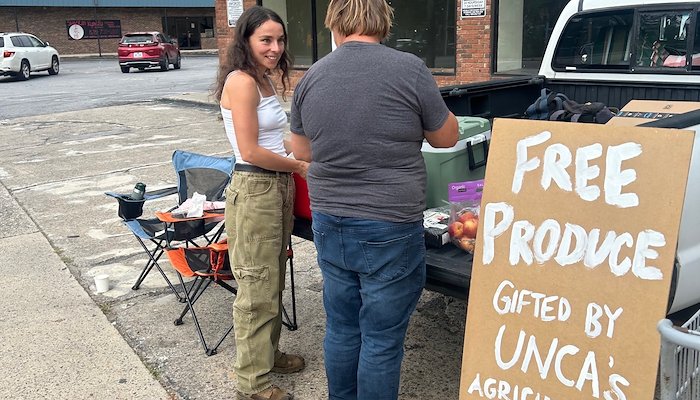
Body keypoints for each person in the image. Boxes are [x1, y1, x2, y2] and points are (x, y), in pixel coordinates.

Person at [289, 0, 459, 399]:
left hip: (330, 220)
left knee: (343, 328)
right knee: (381, 338)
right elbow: (446, 138)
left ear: (334, 23)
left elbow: (303, 151)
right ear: (384, 21)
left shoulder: (313, 76)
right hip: (389, 224)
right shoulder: (410, 69)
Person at [212, 6, 309, 400]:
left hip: (275, 187)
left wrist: (310, 151)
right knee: (256, 287)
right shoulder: (241, 82)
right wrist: (300, 165)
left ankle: (267, 354)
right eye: (265, 40)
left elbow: (275, 139)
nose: (275, 47)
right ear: (246, 41)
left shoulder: (263, 79)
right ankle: (252, 382)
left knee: (273, 278)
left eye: (280, 39)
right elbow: (251, 150)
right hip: (256, 188)